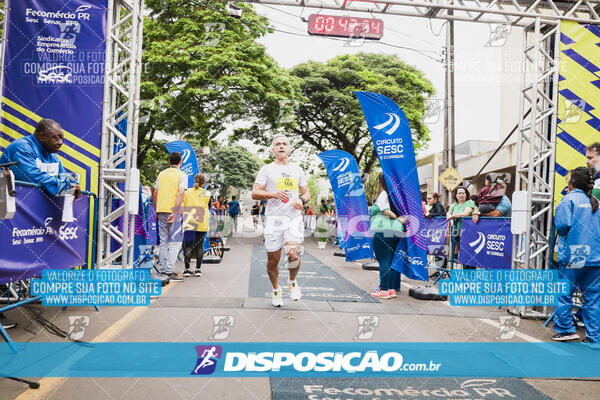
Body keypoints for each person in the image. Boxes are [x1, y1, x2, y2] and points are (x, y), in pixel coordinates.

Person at [252, 134, 310, 307]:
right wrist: (272, 194)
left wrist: (302, 200)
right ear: (273, 149)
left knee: (293, 254)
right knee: (273, 261)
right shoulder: (266, 170)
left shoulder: (297, 170)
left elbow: (306, 192)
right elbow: (255, 192)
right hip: (274, 220)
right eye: (278, 144)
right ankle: (276, 289)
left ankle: (292, 281)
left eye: (285, 144)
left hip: (293, 218)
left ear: (290, 148)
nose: (281, 146)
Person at [553, 166, 600, 343]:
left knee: (564, 292)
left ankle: (566, 330)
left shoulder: (569, 200)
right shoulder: (595, 201)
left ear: (572, 182)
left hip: (577, 252)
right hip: (596, 254)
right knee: (593, 297)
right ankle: (594, 336)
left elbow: (563, 226)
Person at [0, 118, 80, 197]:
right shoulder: (21, 148)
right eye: (56, 138)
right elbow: (32, 178)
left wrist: (74, 186)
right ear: (41, 136)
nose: (60, 142)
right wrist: (66, 188)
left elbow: (64, 178)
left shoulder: (52, 156)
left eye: (61, 138)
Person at [151, 151, 187, 281]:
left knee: (164, 241)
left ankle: (163, 270)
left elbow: (155, 193)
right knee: (175, 242)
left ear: (169, 161)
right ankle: (170, 271)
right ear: (180, 162)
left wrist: (156, 211)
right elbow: (181, 193)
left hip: (161, 210)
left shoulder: (161, 174)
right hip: (175, 212)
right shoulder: (182, 175)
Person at [370, 173, 403, 299]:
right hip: (396, 230)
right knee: (389, 260)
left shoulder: (384, 194)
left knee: (383, 260)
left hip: (382, 229)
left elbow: (385, 210)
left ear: (380, 182)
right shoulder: (397, 194)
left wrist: (395, 216)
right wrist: (399, 218)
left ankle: (384, 290)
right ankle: (389, 289)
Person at [182, 174, 211, 277]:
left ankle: (186, 269)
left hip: (189, 220)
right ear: (204, 183)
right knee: (200, 246)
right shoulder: (207, 193)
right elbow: (208, 206)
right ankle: (198, 270)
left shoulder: (187, 192)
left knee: (188, 246)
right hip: (202, 221)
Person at [447, 187, 475, 263]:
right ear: (456, 195)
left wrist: (452, 216)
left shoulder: (470, 202)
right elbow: (449, 212)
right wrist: (449, 214)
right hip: (455, 229)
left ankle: (468, 273)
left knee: (466, 251)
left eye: (463, 193)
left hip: (467, 230)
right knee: (455, 245)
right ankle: (456, 260)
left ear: (466, 194)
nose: (461, 195)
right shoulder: (454, 205)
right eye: (459, 193)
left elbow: (466, 214)